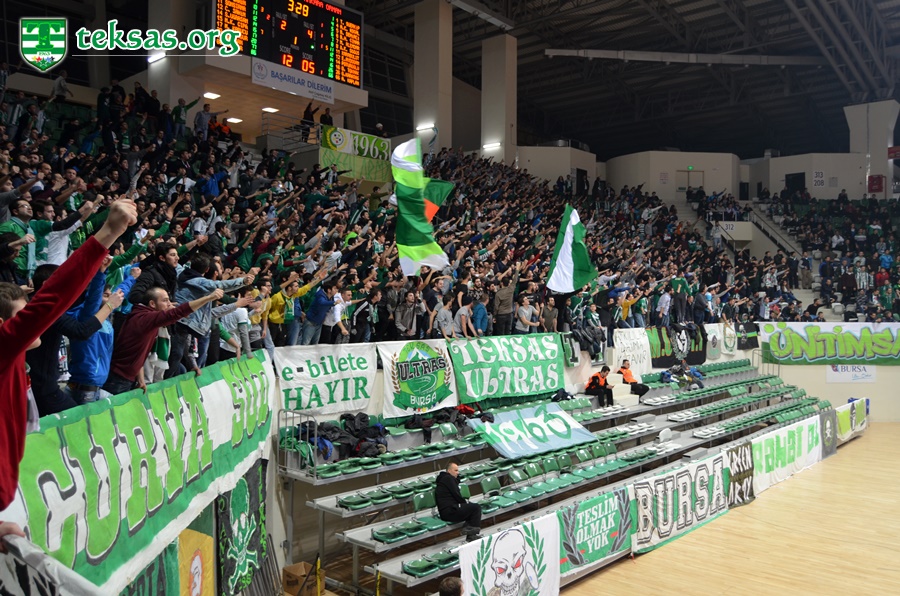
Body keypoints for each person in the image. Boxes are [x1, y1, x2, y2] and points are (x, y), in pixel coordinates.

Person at [0, 199, 138, 513]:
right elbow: (54, 297)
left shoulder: (15, 363)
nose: (35, 322)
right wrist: (108, 231)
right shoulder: (4, 349)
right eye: (24, 316)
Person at [104, 286, 225, 395]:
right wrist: (208, 298)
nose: (169, 304)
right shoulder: (145, 318)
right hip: (117, 379)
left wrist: (140, 379)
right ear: (152, 303)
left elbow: (139, 353)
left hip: (127, 378)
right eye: (165, 301)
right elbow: (177, 313)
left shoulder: (144, 316)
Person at [435, 462, 481, 541]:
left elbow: (456, 484)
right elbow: (456, 494)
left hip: (449, 510)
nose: (458, 472)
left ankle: (470, 533)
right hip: (449, 511)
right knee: (476, 507)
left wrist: (466, 505)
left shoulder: (446, 479)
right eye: (456, 470)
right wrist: (465, 504)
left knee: (471, 508)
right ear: (449, 471)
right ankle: (469, 532)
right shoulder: (448, 479)